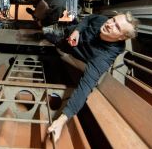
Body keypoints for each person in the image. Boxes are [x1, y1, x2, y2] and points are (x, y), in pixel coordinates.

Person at [46, 12, 139, 143]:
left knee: (54, 41)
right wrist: (77, 31)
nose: (109, 24)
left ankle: (51, 38)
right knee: (58, 34)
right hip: (71, 34)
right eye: (113, 19)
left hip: (70, 50)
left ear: (122, 37)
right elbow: (89, 19)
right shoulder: (103, 20)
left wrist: (62, 119)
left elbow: (85, 87)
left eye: (117, 27)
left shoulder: (104, 57)